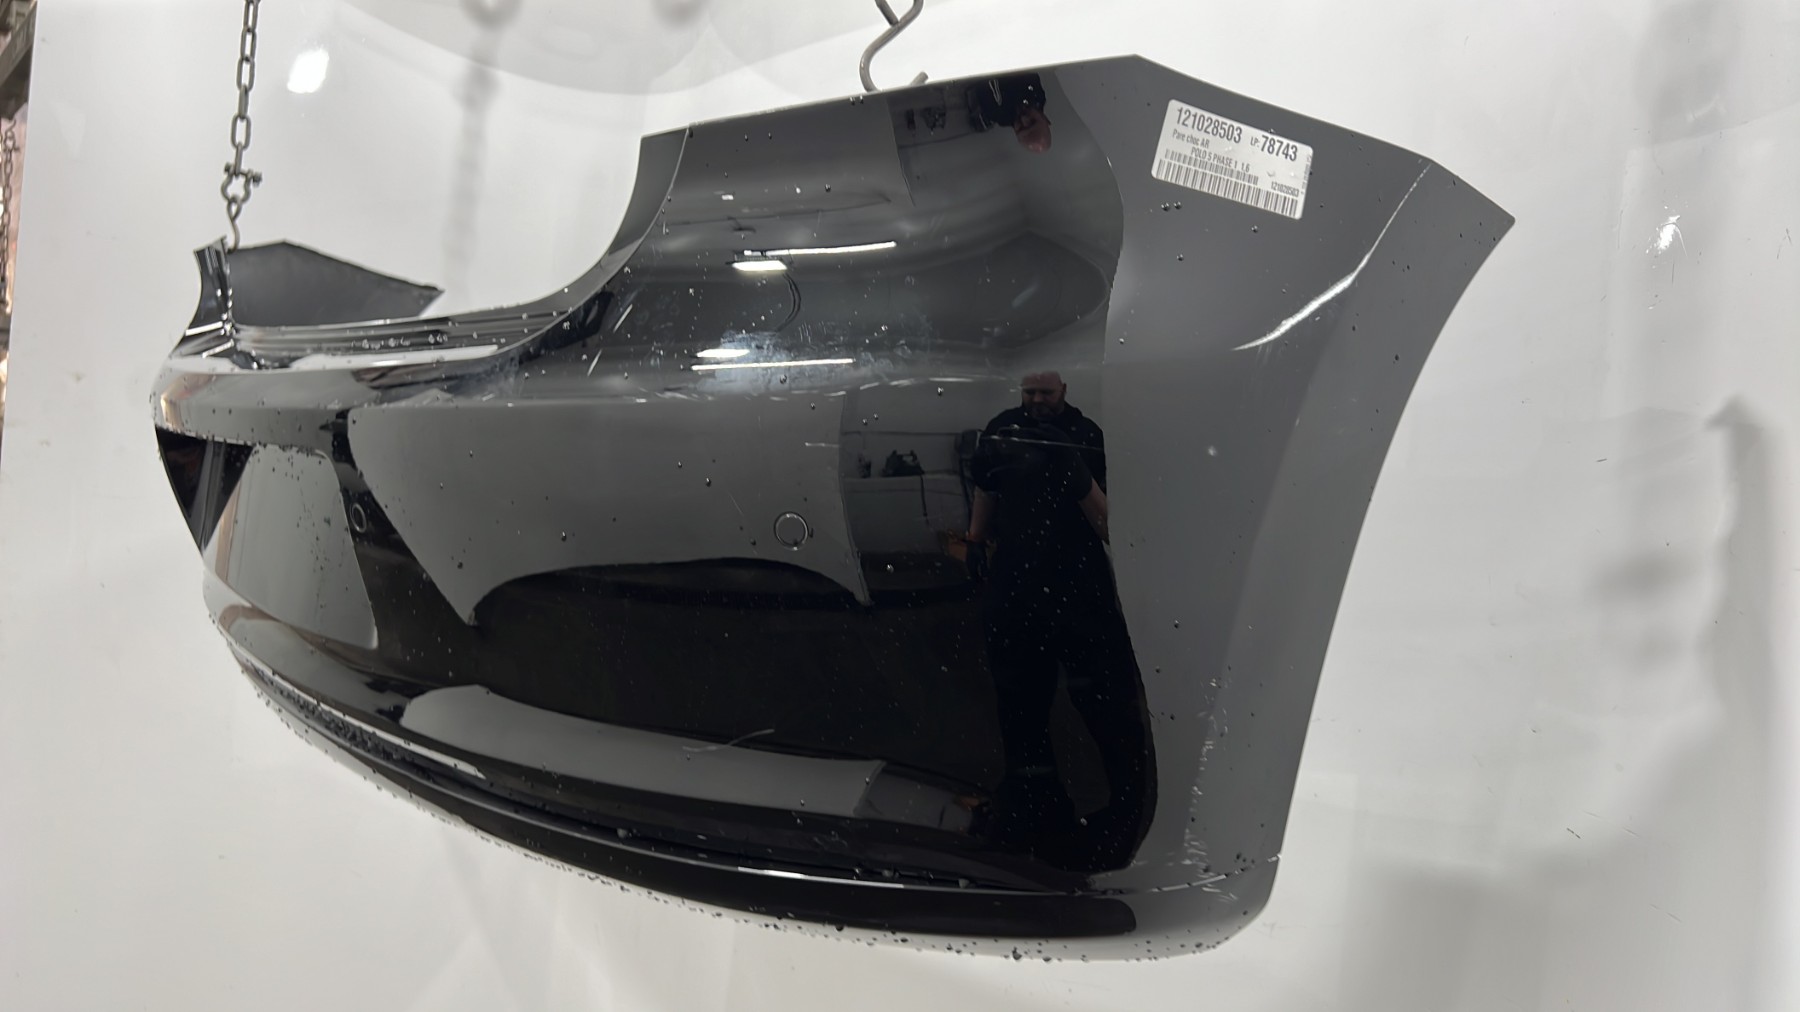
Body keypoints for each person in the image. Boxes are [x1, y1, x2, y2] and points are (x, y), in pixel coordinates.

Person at [963, 373, 1153, 872]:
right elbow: (986, 486)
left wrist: (1076, 471)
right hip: (1016, 582)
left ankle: (1127, 801)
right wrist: (975, 539)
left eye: (1045, 392)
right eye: (1029, 392)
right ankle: (1033, 801)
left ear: (1064, 390)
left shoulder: (1087, 435)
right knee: (1019, 699)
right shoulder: (1003, 428)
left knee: (1103, 697)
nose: (1036, 401)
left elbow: (1110, 527)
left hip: (1079, 586)